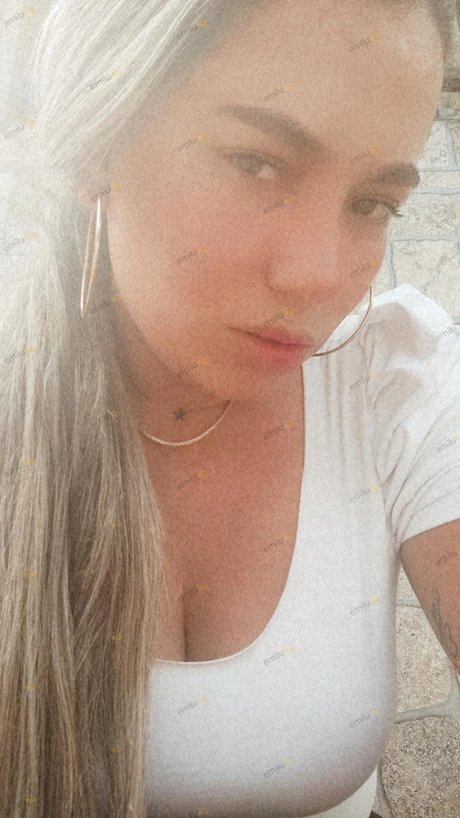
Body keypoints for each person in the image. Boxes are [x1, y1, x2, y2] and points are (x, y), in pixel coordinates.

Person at [1, 1, 459, 816]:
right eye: (257, 162)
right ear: (100, 136)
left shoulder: (394, 379)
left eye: (372, 203)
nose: (318, 276)